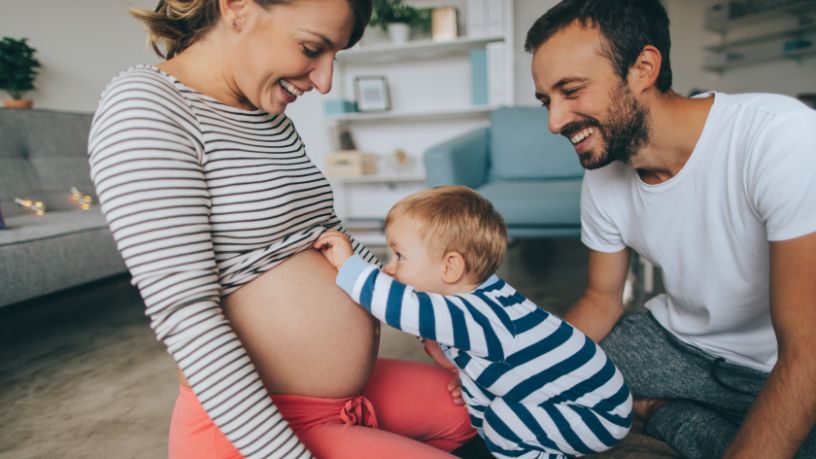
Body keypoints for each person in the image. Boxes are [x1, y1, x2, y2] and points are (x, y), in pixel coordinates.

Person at [87, 1, 478, 457]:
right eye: (312, 47)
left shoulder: (268, 117)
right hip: (253, 424)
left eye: (336, 55)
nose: (325, 80)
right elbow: (186, 317)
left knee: (479, 404)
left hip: (344, 398)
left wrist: (430, 322)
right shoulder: (145, 108)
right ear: (236, 7)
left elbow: (331, 238)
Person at [525, 1, 816, 458]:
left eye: (572, 91)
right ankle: (665, 409)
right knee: (533, 392)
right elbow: (601, 301)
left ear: (643, 67)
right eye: (547, 100)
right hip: (674, 344)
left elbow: (807, 350)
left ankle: (663, 413)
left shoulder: (780, 136)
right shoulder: (602, 176)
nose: (554, 122)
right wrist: (518, 368)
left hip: (778, 360)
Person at [314, 186, 633, 458]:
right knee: (488, 411)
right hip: (582, 400)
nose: (389, 268)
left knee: (502, 422)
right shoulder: (483, 295)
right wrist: (462, 372)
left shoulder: (476, 314)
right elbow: (487, 363)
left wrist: (350, 266)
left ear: (450, 267)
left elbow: (402, 309)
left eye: (400, 256)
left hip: (597, 412)